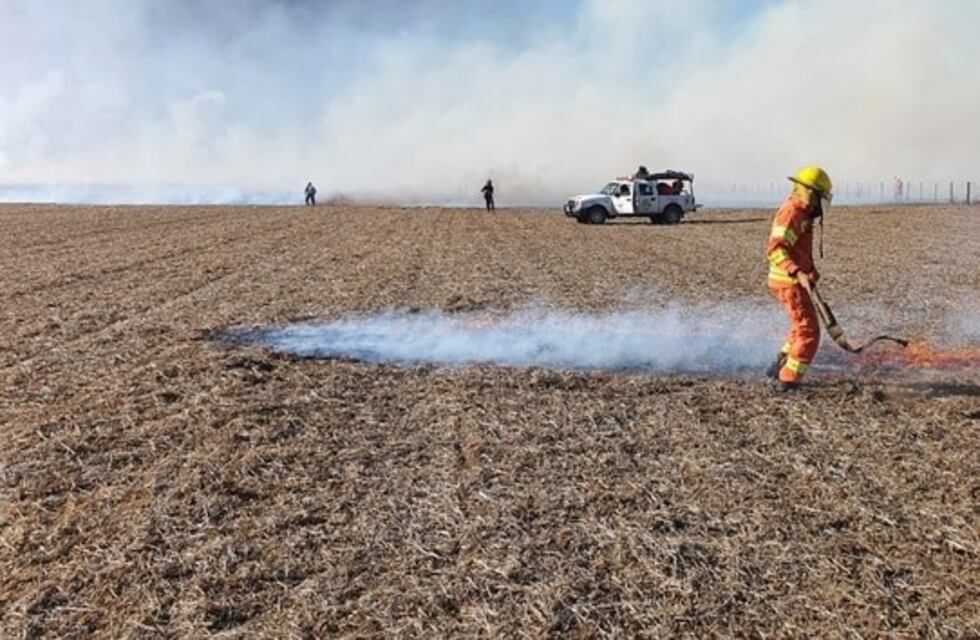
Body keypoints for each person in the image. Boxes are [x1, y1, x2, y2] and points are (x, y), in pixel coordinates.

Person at [765, 166, 833, 392]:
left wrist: (809, 270)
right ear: (809, 192)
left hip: (792, 280)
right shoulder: (793, 212)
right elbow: (776, 250)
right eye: (819, 198)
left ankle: (780, 364)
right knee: (809, 332)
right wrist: (797, 272)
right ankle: (788, 381)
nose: (820, 205)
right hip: (788, 281)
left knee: (799, 326)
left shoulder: (803, 213)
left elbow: (798, 249)